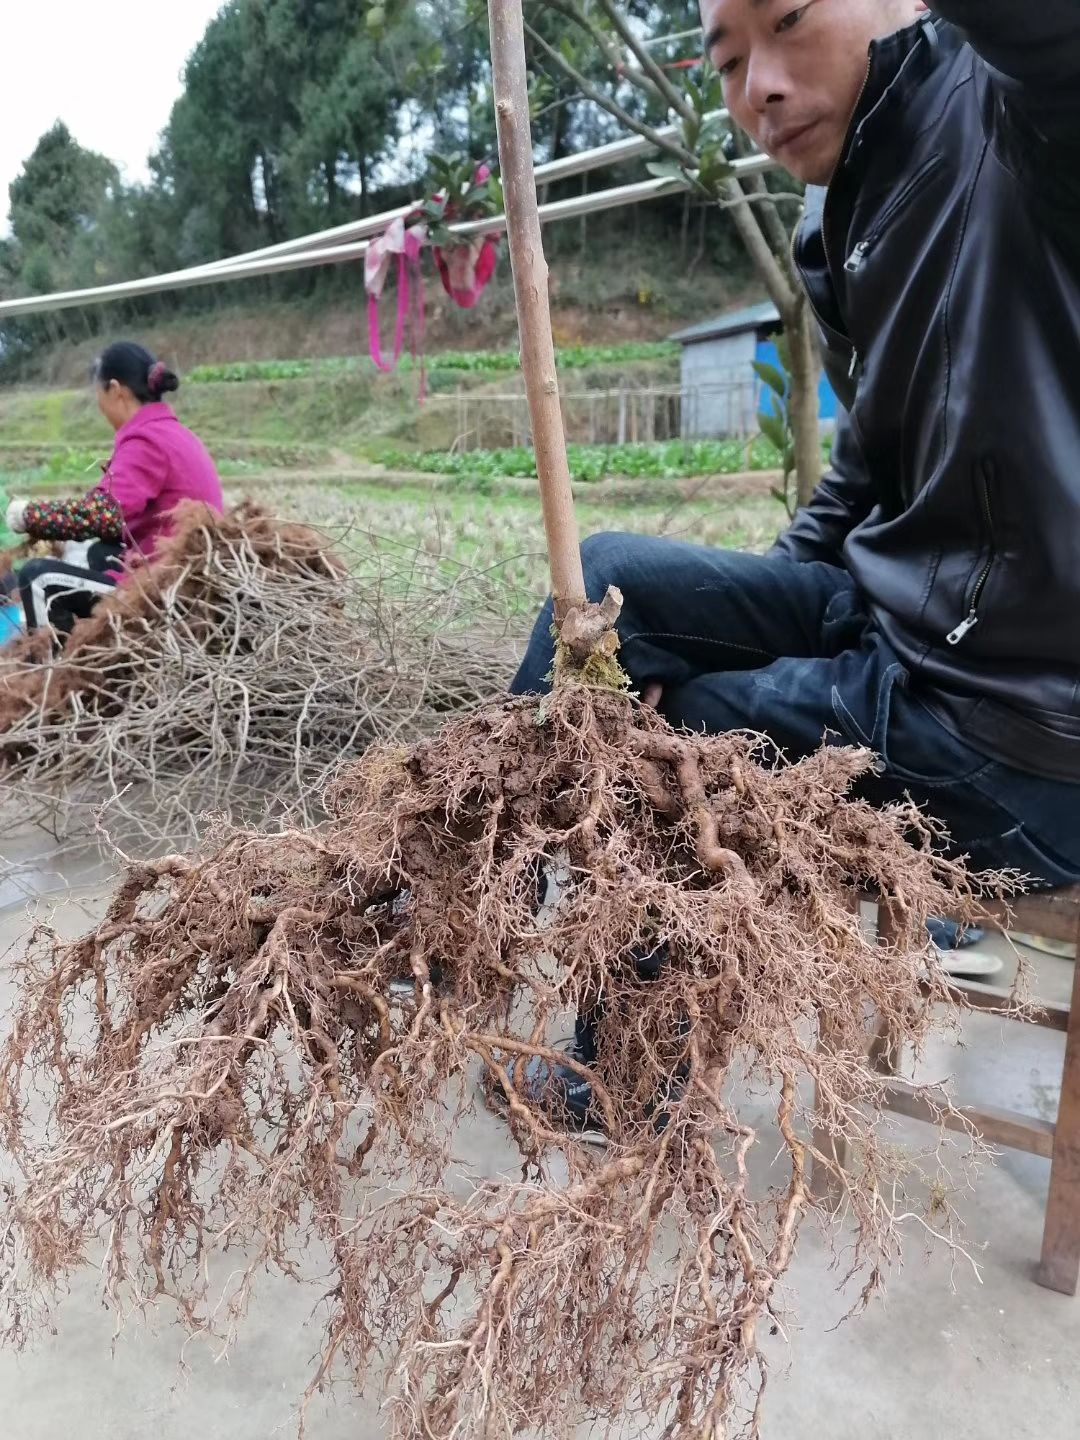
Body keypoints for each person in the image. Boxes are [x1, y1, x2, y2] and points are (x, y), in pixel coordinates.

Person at [507, 0, 1080, 1135]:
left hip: (1018, 722)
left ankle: (626, 1071)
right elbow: (869, 458)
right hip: (898, 626)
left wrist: (719, 684)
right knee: (611, 583)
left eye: (790, 22)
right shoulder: (842, 205)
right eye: (727, 62)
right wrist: (744, 618)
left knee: (685, 739)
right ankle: (476, 909)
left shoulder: (1018, 117)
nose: (756, 86)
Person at [2, 342, 224, 636]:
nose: (99, 406)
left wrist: (30, 516)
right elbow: (114, 520)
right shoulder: (170, 431)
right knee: (100, 552)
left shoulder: (146, 441)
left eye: (99, 394)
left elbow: (103, 513)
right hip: (187, 572)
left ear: (116, 390)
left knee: (37, 578)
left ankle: (49, 673)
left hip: (168, 588)